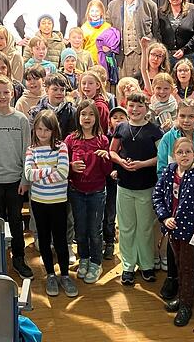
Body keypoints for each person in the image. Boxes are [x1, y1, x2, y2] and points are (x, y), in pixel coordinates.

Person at [152, 136, 194, 327]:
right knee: (179, 263)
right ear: (174, 155)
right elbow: (157, 196)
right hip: (173, 230)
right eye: (180, 152)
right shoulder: (168, 172)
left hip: (191, 231)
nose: (184, 155)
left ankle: (186, 305)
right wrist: (165, 217)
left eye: (188, 152)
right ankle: (184, 296)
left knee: (187, 266)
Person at [155, 99, 194, 294]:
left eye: (191, 116)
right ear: (176, 117)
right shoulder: (168, 138)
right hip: (173, 199)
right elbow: (161, 167)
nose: (186, 120)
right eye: (182, 116)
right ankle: (173, 279)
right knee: (173, 238)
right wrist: (168, 187)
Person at [0, 75, 33, 279]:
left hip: (15, 181)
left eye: (6, 92)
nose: (2, 96)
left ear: (13, 93)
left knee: (16, 220)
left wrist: (25, 179)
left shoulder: (20, 120)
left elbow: (27, 149)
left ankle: (19, 258)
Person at [109, 92, 164, 286]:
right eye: (132, 105)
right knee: (126, 227)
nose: (135, 110)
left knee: (145, 228)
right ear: (127, 106)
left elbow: (162, 156)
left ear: (146, 108)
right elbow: (112, 151)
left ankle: (147, 265)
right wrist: (121, 162)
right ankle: (128, 266)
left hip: (146, 186)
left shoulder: (154, 130)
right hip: (124, 185)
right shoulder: (121, 127)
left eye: (140, 106)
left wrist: (142, 164)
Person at [25, 110, 78, 296]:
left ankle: (64, 275)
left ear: (54, 130)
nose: (42, 133)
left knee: (61, 240)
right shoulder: (31, 149)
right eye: (39, 129)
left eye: (46, 130)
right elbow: (29, 174)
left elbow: (63, 172)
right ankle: (50, 275)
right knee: (44, 240)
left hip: (58, 202)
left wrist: (41, 173)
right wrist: (51, 170)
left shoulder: (61, 147)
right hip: (39, 202)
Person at [64, 101, 113, 285]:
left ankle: (96, 262)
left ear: (97, 118)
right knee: (80, 229)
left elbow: (108, 171)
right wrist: (71, 167)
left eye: (91, 114)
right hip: (76, 191)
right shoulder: (71, 140)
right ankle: (83, 257)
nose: (87, 118)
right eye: (83, 114)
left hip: (97, 192)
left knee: (95, 230)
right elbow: (64, 167)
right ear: (78, 117)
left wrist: (105, 157)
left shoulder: (103, 140)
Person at [107, 0, 159, 78]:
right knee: (125, 87)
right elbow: (108, 29)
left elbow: (156, 31)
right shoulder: (113, 6)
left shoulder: (149, 5)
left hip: (144, 55)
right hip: (123, 56)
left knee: (144, 87)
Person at [158, 0, 194, 70]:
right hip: (166, 57)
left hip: (187, 56)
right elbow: (157, 32)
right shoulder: (161, 12)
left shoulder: (193, 10)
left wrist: (184, 49)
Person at [103, 106, 127, 259]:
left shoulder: (128, 137)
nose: (118, 120)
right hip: (105, 180)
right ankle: (106, 241)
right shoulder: (105, 137)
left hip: (122, 180)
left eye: (121, 117)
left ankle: (111, 242)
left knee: (114, 213)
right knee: (106, 211)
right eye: (115, 117)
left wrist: (119, 170)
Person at [80, 0, 113, 66]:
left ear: (102, 13)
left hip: (104, 62)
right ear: (88, 12)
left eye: (97, 11)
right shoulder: (84, 27)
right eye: (92, 11)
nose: (94, 14)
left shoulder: (108, 27)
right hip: (88, 62)